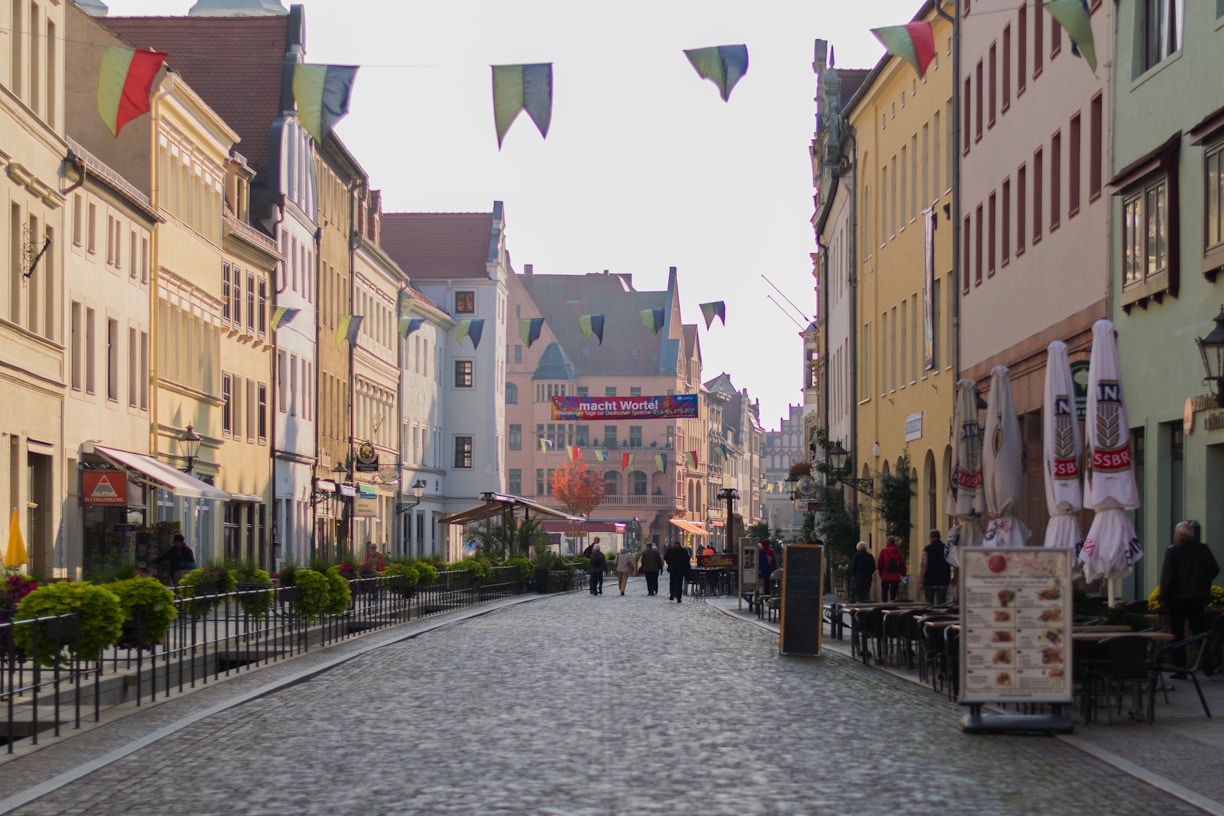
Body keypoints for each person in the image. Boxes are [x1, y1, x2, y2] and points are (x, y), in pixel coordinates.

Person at [1159, 521, 1220, 677]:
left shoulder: (1172, 551)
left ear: (1179, 535)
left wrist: (1164, 599)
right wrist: (1202, 582)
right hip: (1198, 597)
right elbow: (1214, 569)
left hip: (1177, 599)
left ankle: (1180, 668)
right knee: (1200, 631)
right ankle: (1207, 665)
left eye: (1175, 534)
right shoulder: (1203, 549)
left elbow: (1167, 578)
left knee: (1177, 633)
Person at [918, 529, 952, 605]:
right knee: (941, 604)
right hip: (943, 581)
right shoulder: (946, 548)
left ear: (930, 537)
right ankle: (940, 616)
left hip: (929, 581)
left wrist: (921, 581)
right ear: (939, 537)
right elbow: (952, 562)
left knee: (929, 604)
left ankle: (930, 616)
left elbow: (924, 566)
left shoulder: (927, 549)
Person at [877, 537, 907, 602]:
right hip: (895, 576)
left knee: (884, 592)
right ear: (894, 543)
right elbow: (901, 564)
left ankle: (884, 604)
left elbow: (880, 564)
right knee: (893, 593)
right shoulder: (897, 552)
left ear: (887, 543)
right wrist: (903, 574)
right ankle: (892, 605)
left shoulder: (883, 552)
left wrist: (881, 574)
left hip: (885, 575)